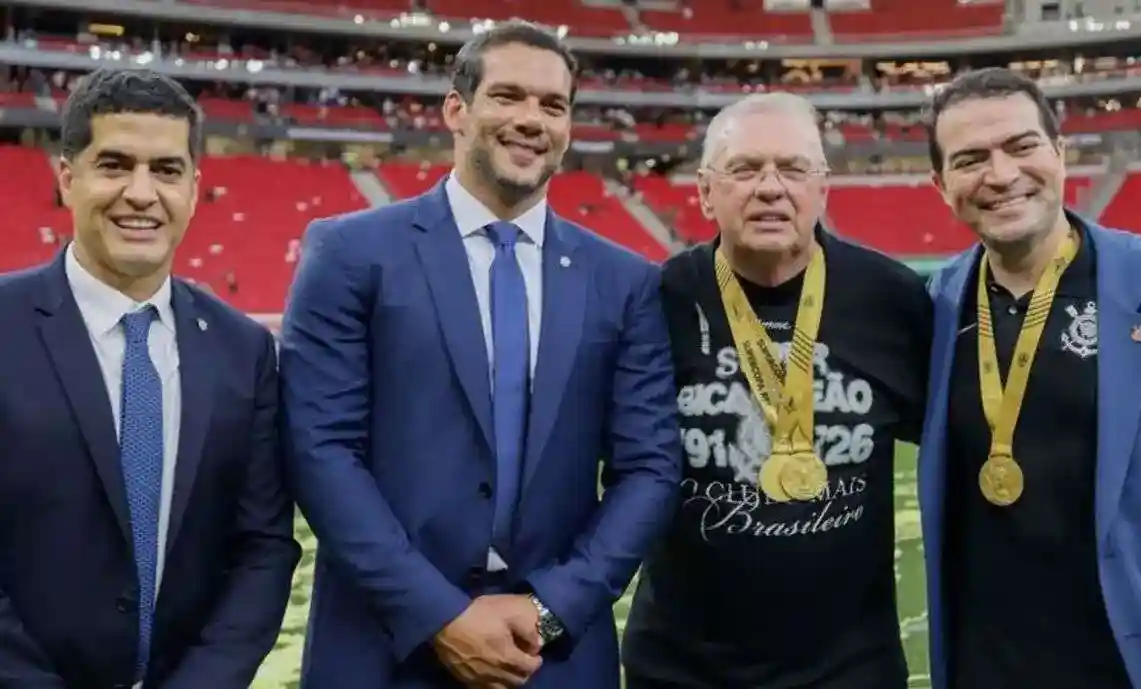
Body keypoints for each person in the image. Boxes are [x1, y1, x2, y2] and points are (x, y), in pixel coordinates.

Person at [279, 20, 683, 689]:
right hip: (386, 646)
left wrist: (552, 610)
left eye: (553, 106)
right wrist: (440, 616)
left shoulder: (625, 280)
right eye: (509, 96)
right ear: (455, 109)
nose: (532, 119)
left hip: (552, 656)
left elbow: (649, 468)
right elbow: (320, 450)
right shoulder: (349, 253)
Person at [919, 67, 1141, 689]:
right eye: (970, 158)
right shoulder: (936, 303)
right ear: (940, 184)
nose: (1001, 175)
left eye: (1022, 146)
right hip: (990, 665)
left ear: (1060, 154)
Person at [0, 68, 301, 688]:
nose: (141, 193)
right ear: (67, 178)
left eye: (165, 170)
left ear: (194, 187)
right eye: (114, 165)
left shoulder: (243, 351)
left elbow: (263, 548)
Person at [622, 93, 933, 689]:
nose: (770, 188)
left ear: (823, 188)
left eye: (793, 169)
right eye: (744, 169)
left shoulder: (892, 300)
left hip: (850, 670)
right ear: (706, 191)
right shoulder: (655, 302)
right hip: (680, 669)